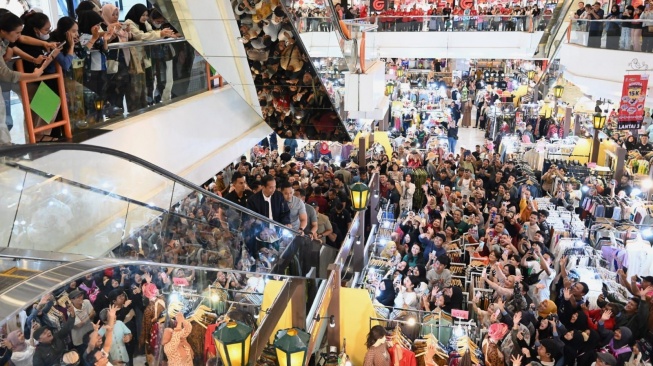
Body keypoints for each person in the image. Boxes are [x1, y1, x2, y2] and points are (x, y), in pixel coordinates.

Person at [0, 12, 51, 145]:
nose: (19, 36)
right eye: (16, 33)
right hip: (24, 79)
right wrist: (33, 75)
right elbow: (6, 73)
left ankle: (8, 146)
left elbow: (19, 41)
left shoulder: (6, 41)